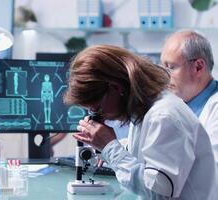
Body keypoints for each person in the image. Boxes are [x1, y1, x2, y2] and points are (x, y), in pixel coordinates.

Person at [64, 45, 217, 199]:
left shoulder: (163, 116)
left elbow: (158, 193)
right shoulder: (146, 110)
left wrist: (110, 148)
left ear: (116, 88)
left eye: (97, 109)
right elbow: (147, 153)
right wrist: (103, 148)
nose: (101, 117)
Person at [161, 30, 218, 164]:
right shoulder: (177, 103)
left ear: (198, 67)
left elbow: (208, 164)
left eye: (170, 67)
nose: (164, 75)